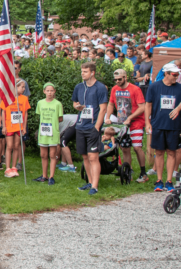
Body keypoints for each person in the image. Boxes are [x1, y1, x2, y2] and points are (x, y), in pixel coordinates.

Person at [144, 63, 181, 192]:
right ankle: (159, 180)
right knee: (159, 152)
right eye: (174, 74)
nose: (177, 77)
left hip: (174, 126)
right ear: (166, 73)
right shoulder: (154, 87)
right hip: (158, 124)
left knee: (172, 152)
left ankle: (169, 180)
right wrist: (147, 123)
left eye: (178, 74)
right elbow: (148, 105)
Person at [72, 62, 109, 195]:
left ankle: (95, 186)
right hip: (81, 125)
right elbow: (75, 103)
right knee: (85, 157)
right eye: (82, 71)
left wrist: (97, 127)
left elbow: (103, 109)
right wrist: (76, 107)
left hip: (93, 127)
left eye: (85, 72)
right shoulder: (78, 87)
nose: (82, 74)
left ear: (92, 72)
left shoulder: (100, 88)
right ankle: (90, 181)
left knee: (93, 157)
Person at [108, 68, 148, 182]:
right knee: (125, 148)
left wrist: (130, 117)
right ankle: (127, 171)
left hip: (136, 122)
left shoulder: (135, 89)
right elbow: (111, 104)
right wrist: (107, 117)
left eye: (119, 79)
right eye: (115, 80)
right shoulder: (114, 89)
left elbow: (142, 107)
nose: (117, 82)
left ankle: (143, 172)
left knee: (137, 147)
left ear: (125, 77)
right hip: (122, 122)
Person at [0, 80, 30, 178]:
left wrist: (24, 127)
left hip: (19, 126)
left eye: (24, 87)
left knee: (16, 146)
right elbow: (4, 112)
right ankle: (7, 168)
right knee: (9, 146)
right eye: (22, 87)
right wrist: (4, 126)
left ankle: (14, 167)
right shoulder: (7, 98)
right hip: (9, 126)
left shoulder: (24, 99)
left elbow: (25, 113)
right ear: (15, 87)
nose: (24, 89)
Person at [35, 82, 63, 184]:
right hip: (43, 132)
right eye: (48, 90)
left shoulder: (58, 104)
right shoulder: (40, 103)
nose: (49, 92)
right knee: (43, 154)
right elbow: (39, 115)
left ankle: (51, 176)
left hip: (53, 132)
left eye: (51, 90)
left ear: (54, 91)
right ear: (44, 91)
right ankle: (44, 175)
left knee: (52, 154)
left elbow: (60, 118)